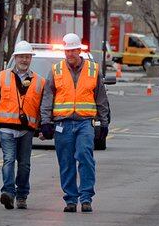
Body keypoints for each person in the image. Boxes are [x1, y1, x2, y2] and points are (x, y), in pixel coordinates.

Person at [39, 32, 110, 213]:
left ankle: (86, 198)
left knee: (86, 158)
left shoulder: (93, 70)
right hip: (62, 124)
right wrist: (45, 122)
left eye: (73, 51)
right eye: (67, 51)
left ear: (79, 50)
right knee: (66, 162)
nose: (70, 54)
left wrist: (104, 122)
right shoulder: (56, 70)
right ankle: (71, 199)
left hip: (84, 122)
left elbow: (101, 98)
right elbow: (48, 97)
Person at [0, 40, 45, 210]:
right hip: (6, 128)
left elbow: (43, 108)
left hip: (27, 130)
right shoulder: (2, 77)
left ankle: (22, 195)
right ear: (15, 58)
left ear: (31, 59)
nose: (24, 60)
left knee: (24, 164)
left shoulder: (39, 82)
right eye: (21, 56)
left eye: (27, 57)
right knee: (8, 160)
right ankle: (8, 193)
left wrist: (44, 128)